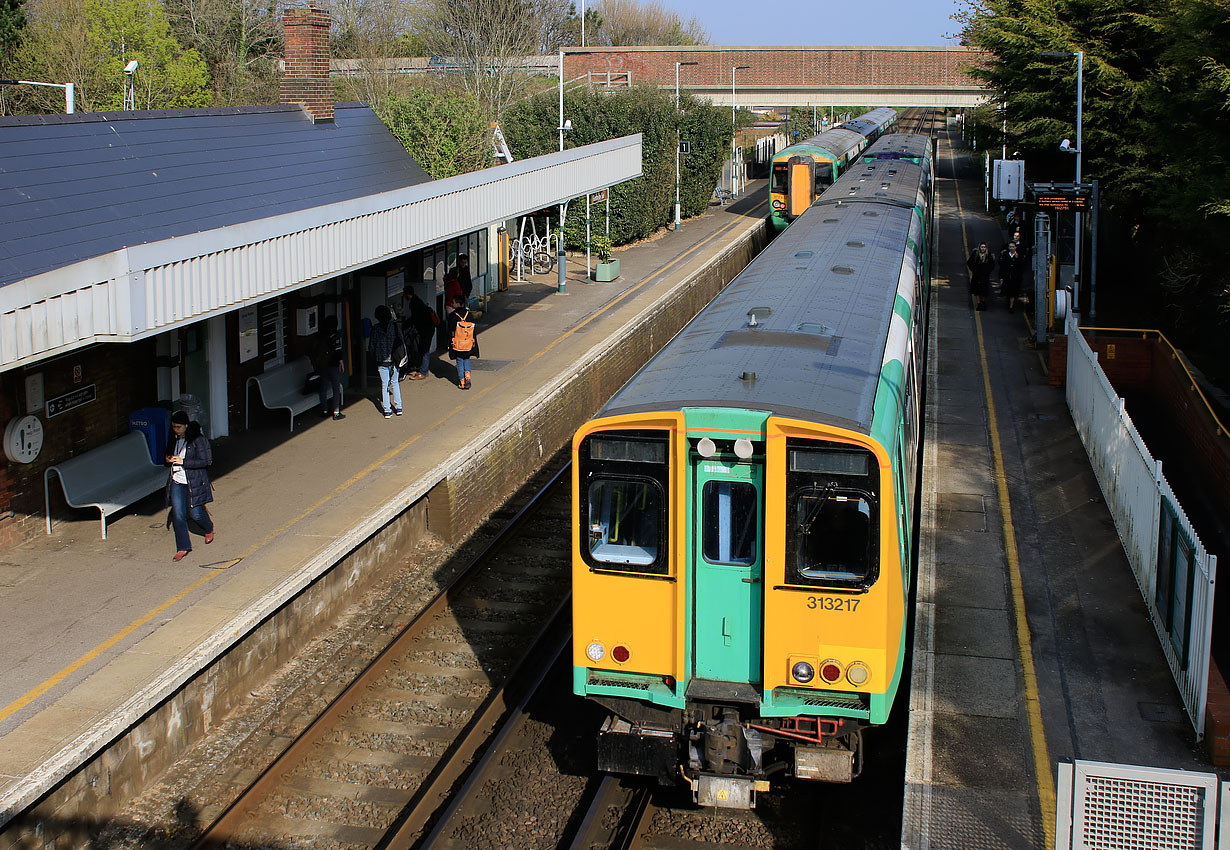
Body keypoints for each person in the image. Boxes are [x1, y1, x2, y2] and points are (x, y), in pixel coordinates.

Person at [165, 410, 214, 562]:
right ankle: (183, 547)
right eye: (174, 427)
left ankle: (208, 527)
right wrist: (168, 459)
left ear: (186, 426)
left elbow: (205, 461)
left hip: (193, 481)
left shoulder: (197, 440)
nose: (176, 430)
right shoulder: (174, 438)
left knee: (195, 513)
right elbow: (168, 454)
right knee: (178, 515)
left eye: (179, 427)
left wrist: (183, 462)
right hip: (177, 481)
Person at [369, 304, 404, 418]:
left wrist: (372, 357)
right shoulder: (394, 327)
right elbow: (401, 341)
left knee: (384, 385)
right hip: (394, 359)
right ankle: (399, 407)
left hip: (381, 360)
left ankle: (387, 410)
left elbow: (372, 346)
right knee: (395, 382)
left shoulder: (375, 329)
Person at [312, 315, 346, 420]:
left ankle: (324, 410)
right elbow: (337, 350)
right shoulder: (334, 335)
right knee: (336, 387)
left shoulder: (320, 335)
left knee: (323, 387)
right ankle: (336, 412)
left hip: (322, 365)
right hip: (333, 364)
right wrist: (341, 363)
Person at [446, 296, 479, 389]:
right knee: (467, 359)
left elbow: (450, 331)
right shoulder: (469, 314)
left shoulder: (453, 316)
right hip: (468, 342)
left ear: (458, 303)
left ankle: (462, 382)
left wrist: (449, 344)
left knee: (459, 361)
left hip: (458, 343)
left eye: (453, 302)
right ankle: (468, 377)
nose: (452, 304)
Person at [405, 289, 438, 380]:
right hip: (429, 328)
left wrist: (404, 325)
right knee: (424, 349)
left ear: (408, 294)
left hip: (425, 329)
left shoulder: (414, 304)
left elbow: (414, 318)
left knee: (424, 350)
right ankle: (423, 369)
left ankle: (423, 372)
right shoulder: (419, 301)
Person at [966, 242, 996, 311]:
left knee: (984, 290)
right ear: (979, 247)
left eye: (984, 247)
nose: (983, 248)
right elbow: (969, 262)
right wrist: (974, 269)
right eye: (982, 247)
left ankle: (983, 302)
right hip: (977, 275)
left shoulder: (988, 255)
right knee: (977, 291)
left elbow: (992, 265)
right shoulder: (975, 254)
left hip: (984, 275)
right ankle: (979, 303)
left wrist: (988, 271)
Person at [998, 241, 1024, 313]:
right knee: (1007, 291)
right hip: (1006, 276)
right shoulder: (1005, 255)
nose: (1012, 248)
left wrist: (1017, 258)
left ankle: (1011, 307)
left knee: (1013, 292)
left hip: (1014, 277)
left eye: (1013, 247)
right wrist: (1001, 277)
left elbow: (1021, 266)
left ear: (1015, 247)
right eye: (1010, 247)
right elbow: (1002, 266)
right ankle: (1008, 302)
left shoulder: (1019, 255)